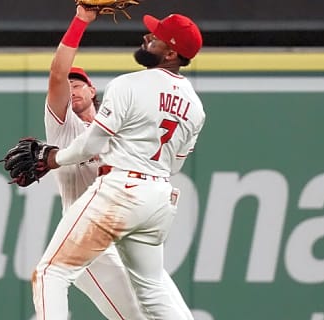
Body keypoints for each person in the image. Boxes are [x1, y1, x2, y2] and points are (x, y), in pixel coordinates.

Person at [32, 11, 205, 320]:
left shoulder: (129, 86)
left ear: (171, 52)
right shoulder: (194, 105)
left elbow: (93, 144)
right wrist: (80, 20)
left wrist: (53, 158)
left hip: (119, 197)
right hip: (156, 199)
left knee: (50, 273)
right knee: (153, 292)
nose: (146, 37)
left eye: (155, 36)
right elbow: (176, 163)